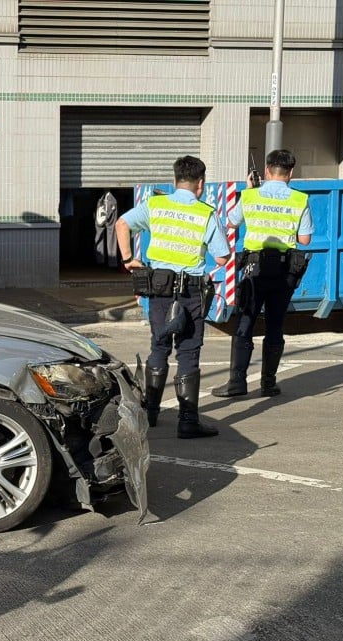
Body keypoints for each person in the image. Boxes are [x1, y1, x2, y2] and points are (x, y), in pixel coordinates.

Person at [116, 155, 231, 437]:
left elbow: (121, 224)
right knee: (188, 351)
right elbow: (222, 257)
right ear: (201, 184)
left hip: (160, 287)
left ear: (175, 180)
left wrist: (129, 259)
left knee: (159, 346)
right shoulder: (205, 213)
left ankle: (151, 414)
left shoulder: (156, 205)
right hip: (191, 290)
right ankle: (188, 422)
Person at [212, 148, 313, 399]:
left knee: (245, 322)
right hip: (284, 271)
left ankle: (237, 382)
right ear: (291, 172)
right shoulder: (300, 199)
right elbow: (305, 239)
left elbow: (231, 222)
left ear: (267, 170)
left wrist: (249, 191)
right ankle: (268, 383)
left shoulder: (250, 196)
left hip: (253, 270)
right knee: (275, 325)